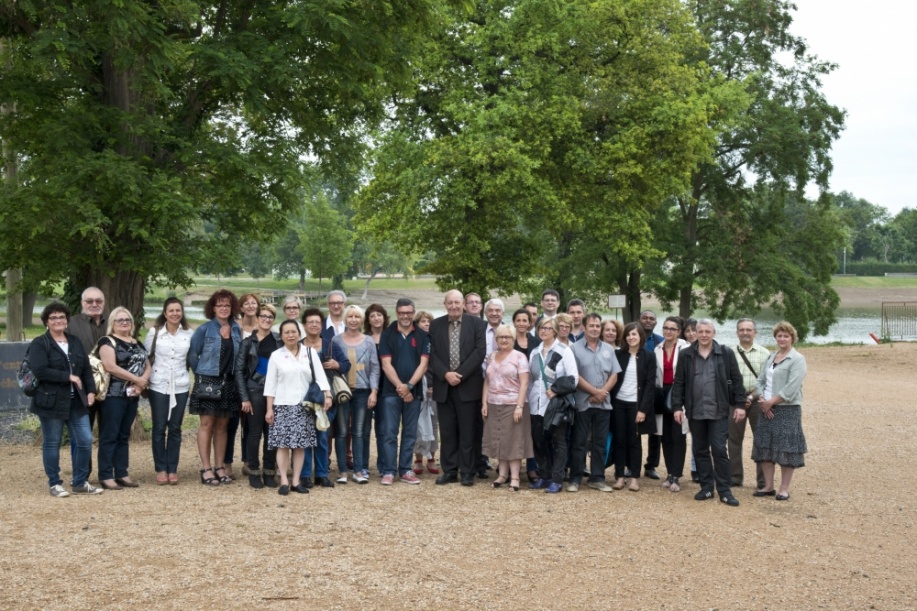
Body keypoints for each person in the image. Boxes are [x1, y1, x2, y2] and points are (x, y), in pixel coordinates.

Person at [29, 302, 102, 497]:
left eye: (61, 317)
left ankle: (79, 481)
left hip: (76, 401)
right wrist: (67, 376)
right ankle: (55, 483)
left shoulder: (75, 341)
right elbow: (40, 370)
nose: (58, 321)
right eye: (53, 318)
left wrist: (91, 391)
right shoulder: (40, 343)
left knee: (85, 440)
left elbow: (86, 369)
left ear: (67, 320)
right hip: (50, 401)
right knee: (52, 443)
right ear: (46, 322)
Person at [672, 319, 746, 507]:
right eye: (700, 331)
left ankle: (725, 490)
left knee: (720, 449)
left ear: (714, 333)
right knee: (700, 449)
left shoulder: (725, 353)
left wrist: (739, 405)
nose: (704, 335)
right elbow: (679, 382)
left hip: (719, 410)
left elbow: (737, 380)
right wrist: (677, 407)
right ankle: (706, 487)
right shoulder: (686, 354)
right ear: (695, 333)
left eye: (708, 331)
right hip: (695, 411)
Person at [264, 320, 332, 495]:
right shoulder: (276, 355)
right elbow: (270, 385)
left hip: (304, 406)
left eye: (293, 331)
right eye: (286, 332)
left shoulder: (309, 353)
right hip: (282, 405)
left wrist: (328, 395)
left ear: (299, 333)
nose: (290, 335)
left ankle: (296, 480)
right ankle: (284, 481)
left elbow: (321, 378)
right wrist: (269, 409)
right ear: (281, 335)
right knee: (283, 445)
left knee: (301, 445)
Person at [428, 290, 487, 486]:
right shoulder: (436, 325)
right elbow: (432, 354)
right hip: (444, 385)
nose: (453, 306)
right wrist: (446, 374)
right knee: (447, 432)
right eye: (450, 302)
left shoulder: (477, 324)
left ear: (463, 304)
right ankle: (450, 470)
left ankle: (467, 471)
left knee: (468, 432)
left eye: (457, 302)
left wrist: (459, 374)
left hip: (468, 385)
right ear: (445, 304)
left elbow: (480, 352)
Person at [188, 289, 242, 486]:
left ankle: (220, 467)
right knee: (207, 424)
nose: (224, 308)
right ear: (213, 308)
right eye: (220, 305)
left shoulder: (236, 329)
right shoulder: (204, 330)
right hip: (208, 381)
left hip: (229, 383)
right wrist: (202, 374)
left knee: (222, 426)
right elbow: (193, 356)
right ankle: (206, 468)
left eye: (227, 305)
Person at [751, 321, 807, 501]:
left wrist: (771, 403)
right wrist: (762, 400)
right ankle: (768, 486)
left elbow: (792, 387)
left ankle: (784, 489)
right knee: (765, 447)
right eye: (779, 336)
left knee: (786, 448)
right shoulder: (771, 357)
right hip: (765, 407)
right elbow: (759, 381)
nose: (782, 339)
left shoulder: (797, 359)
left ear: (792, 338)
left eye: (786, 336)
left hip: (787, 410)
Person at [96, 306, 150, 490]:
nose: (124, 322)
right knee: (109, 435)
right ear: (113, 323)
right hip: (113, 396)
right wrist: (137, 379)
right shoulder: (107, 341)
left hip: (132, 396)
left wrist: (141, 382)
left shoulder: (137, 343)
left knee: (123, 435)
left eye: (127, 319)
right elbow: (110, 366)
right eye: (120, 320)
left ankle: (121, 472)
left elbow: (147, 363)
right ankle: (105, 474)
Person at [378, 298, 430, 485]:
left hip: (413, 393)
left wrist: (408, 386)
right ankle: (389, 471)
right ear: (397, 312)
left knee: (409, 433)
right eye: (402, 312)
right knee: (389, 433)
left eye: (409, 312)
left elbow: (423, 365)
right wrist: (401, 387)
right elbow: (386, 364)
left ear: (413, 312)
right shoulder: (387, 334)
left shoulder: (423, 336)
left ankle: (406, 469)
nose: (405, 316)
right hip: (391, 393)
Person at [144, 297, 193, 485]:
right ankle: (160, 468)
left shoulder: (189, 334)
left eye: (178, 310)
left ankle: (172, 468)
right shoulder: (155, 333)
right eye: (171, 310)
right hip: (158, 385)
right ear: (165, 313)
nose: (175, 314)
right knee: (158, 427)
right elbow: (147, 358)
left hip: (180, 385)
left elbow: (193, 357)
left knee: (175, 428)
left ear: (182, 312)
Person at [569, 313, 620, 493]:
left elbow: (614, 374)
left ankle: (597, 478)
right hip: (583, 403)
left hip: (603, 405)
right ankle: (575, 478)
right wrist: (594, 392)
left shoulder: (608, 349)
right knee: (579, 442)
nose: (595, 329)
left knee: (599, 443)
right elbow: (575, 376)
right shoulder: (574, 348)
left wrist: (602, 393)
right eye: (591, 325)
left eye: (598, 326)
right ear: (583, 327)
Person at [300, 307, 350, 488]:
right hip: (304, 398)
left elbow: (346, 365)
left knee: (322, 436)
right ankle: (305, 474)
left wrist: (336, 364)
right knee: (305, 437)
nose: (314, 325)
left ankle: (321, 473)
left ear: (321, 325)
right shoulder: (298, 346)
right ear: (304, 325)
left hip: (326, 398)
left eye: (317, 322)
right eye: (310, 322)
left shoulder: (330, 345)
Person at [527, 317, 578, 493]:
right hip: (536, 403)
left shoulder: (564, 351)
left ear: (555, 331)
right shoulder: (534, 352)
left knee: (558, 441)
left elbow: (573, 378)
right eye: (541, 327)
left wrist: (556, 390)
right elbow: (531, 380)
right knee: (539, 440)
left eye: (548, 328)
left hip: (556, 404)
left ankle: (557, 478)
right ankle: (544, 475)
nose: (543, 331)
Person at [234, 303, 281, 489]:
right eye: (263, 316)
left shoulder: (279, 341)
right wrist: (244, 397)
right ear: (258, 318)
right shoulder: (248, 342)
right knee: (254, 433)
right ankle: (254, 471)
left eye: (270, 317)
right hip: (254, 390)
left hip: (276, 392)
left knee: (272, 432)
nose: (266, 320)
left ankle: (269, 471)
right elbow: (239, 371)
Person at [333, 304, 380, 484]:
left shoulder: (368, 341)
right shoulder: (336, 341)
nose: (353, 320)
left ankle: (359, 470)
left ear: (362, 319)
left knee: (359, 431)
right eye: (350, 316)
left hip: (362, 391)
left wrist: (374, 391)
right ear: (345, 319)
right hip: (342, 392)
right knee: (342, 431)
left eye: (357, 317)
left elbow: (375, 368)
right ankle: (343, 470)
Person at [482, 324, 531, 492]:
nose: (504, 340)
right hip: (494, 404)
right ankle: (502, 475)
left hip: (513, 404)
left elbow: (524, 383)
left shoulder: (519, 357)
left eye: (507, 337)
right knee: (499, 439)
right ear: (496, 340)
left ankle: (515, 477)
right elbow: (487, 381)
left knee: (514, 441)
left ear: (513, 339)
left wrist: (519, 406)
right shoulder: (491, 357)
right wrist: (484, 403)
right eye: (500, 337)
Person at [609, 323, 656, 491]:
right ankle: (620, 476)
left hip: (636, 405)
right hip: (619, 403)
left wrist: (643, 409)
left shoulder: (649, 356)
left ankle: (634, 477)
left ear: (641, 336)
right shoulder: (618, 354)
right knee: (620, 440)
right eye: (628, 335)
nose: (631, 337)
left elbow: (650, 385)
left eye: (634, 334)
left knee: (634, 440)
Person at [67, 286, 107, 475]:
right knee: (81, 434)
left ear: (104, 303)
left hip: (110, 387)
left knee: (109, 434)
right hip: (82, 387)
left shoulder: (113, 321)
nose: (94, 304)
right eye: (89, 301)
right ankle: (81, 475)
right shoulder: (70, 323)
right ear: (82, 303)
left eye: (98, 301)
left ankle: (107, 474)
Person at [730, 318, 770, 489]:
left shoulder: (765, 353)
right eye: (742, 330)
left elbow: (766, 380)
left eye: (749, 329)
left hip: (757, 401)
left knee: (760, 439)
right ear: (737, 332)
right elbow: (727, 378)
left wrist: (751, 397)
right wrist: (739, 398)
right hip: (734, 401)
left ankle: (762, 480)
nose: (745, 332)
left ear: (755, 332)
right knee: (733, 440)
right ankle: (734, 477)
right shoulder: (728, 352)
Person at [654, 316, 690, 492]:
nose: (668, 331)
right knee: (665, 437)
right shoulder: (657, 349)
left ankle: (676, 475)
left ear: (679, 331)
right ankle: (669, 473)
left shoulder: (686, 348)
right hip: (662, 395)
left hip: (679, 395)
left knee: (678, 436)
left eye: (672, 329)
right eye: (665, 328)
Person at [362, 303, 389, 475]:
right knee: (363, 429)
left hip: (387, 388)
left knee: (384, 429)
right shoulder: (364, 339)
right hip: (367, 387)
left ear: (384, 317)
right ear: (368, 320)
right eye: (372, 315)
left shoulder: (391, 336)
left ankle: (383, 465)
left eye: (379, 314)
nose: (376, 318)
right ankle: (363, 465)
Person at [412, 311, 439, 476]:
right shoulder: (414, 342)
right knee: (417, 424)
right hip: (418, 387)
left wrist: (435, 386)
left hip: (435, 388)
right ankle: (418, 458)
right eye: (423, 321)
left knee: (434, 424)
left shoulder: (437, 342)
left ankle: (432, 457)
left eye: (429, 321)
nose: (426, 324)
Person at [638, 309, 664, 480]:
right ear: (639, 320)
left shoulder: (660, 342)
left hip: (655, 390)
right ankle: (632, 464)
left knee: (656, 431)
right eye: (645, 318)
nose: (648, 321)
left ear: (655, 322)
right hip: (636, 390)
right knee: (635, 430)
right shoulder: (632, 338)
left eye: (651, 319)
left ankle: (651, 465)